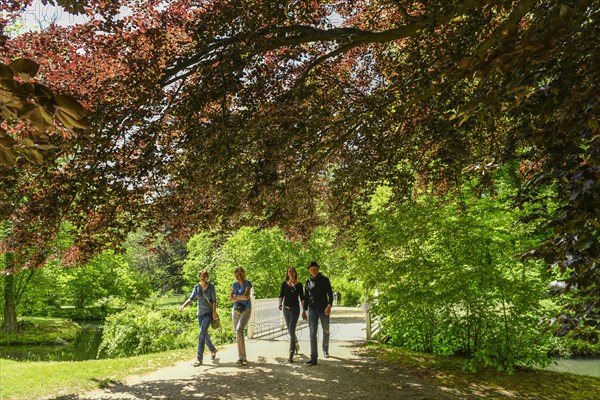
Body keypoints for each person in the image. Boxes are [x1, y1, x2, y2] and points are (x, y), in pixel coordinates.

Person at [179, 270, 218, 366]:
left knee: (201, 334)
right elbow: (191, 299)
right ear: (199, 277)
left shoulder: (211, 287)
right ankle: (213, 349)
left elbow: (214, 301)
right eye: (201, 276)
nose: (203, 277)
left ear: (207, 277)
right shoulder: (196, 287)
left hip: (208, 314)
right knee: (204, 334)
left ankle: (199, 359)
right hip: (199, 314)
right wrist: (183, 306)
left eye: (205, 276)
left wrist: (213, 313)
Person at [303, 261, 333, 365]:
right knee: (312, 333)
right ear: (309, 270)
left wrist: (329, 305)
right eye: (311, 269)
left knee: (325, 330)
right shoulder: (307, 281)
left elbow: (330, 293)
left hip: (323, 309)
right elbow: (306, 297)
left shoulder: (325, 280)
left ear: (318, 269)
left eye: (315, 268)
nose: (313, 270)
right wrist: (304, 310)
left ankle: (325, 349)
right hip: (312, 310)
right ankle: (313, 357)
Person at [278, 266, 305, 363]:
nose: (291, 272)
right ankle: (296, 342)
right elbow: (281, 295)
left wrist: (304, 311)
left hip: (295, 310)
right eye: (289, 271)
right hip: (286, 309)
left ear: (295, 273)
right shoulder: (284, 284)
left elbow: (302, 298)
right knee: (290, 329)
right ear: (287, 273)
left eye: (292, 271)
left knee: (292, 328)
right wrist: (280, 303)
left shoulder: (299, 285)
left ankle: (291, 353)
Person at [229, 266, 253, 365]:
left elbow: (246, 296)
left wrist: (236, 297)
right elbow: (231, 299)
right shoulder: (234, 284)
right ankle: (242, 357)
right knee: (237, 332)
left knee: (239, 329)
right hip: (236, 309)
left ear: (243, 274)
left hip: (246, 309)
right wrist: (239, 297)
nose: (238, 277)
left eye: (240, 275)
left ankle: (241, 357)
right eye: (236, 275)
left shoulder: (248, 283)